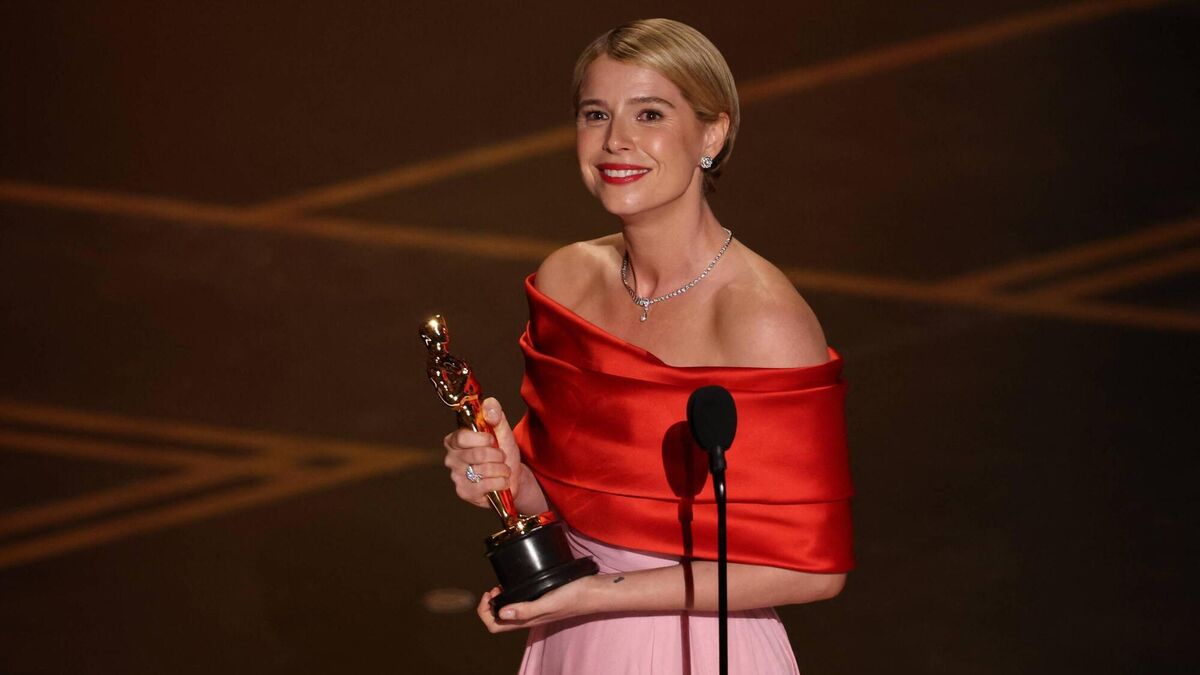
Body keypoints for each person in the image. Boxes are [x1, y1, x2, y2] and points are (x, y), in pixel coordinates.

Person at [442, 18, 853, 674]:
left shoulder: (761, 318)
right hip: (574, 635)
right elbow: (577, 499)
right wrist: (508, 478)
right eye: (595, 114)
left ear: (712, 134)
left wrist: (601, 593)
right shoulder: (566, 282)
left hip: (698, 647)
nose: (616, 140)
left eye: (650, 114)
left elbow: (813, 568)